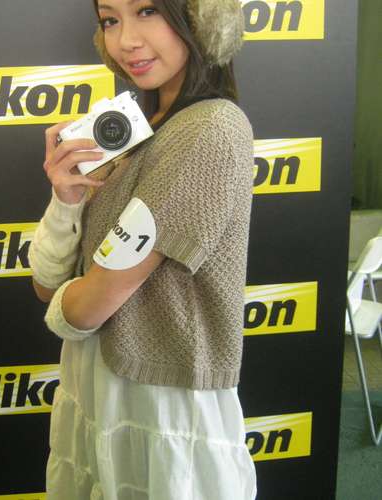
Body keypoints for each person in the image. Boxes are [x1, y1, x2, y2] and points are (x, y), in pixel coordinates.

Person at [28, 0, 257, 498]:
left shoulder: (209, 130)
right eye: (110, 20)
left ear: (202, 18)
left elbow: (87, 308)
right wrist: (66, 199)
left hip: (160, 405)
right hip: (101, 389)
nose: (125, 41)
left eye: (147, 11)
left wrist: (75, 296)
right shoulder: (138, 132)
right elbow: (48, 284)